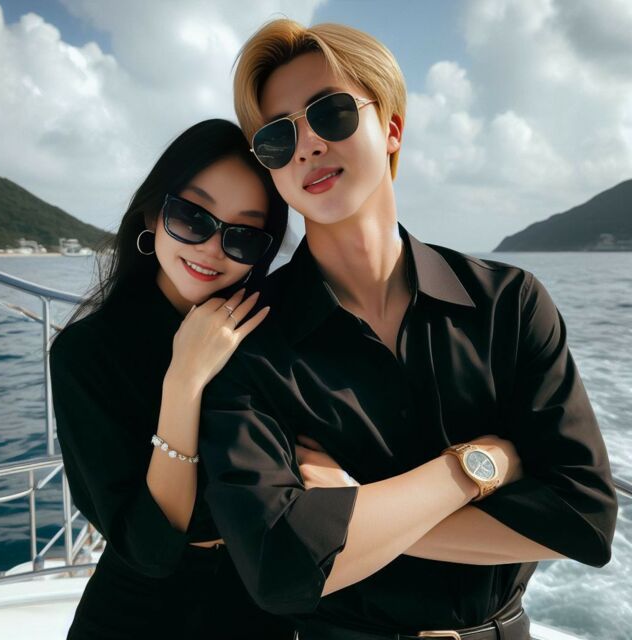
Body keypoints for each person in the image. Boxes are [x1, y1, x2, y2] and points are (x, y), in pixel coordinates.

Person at [197, 20, 619, 640]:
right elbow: (279, 568)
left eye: (331, 113)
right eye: (278, 137)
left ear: (392, 127)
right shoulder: (248, 335)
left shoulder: (509, 303)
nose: (306, 145)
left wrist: (356, 509)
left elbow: (584, 520)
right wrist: (477, 467)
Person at [49, 119, 295, 639]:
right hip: (133, 619)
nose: (212, 248)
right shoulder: (87, 354)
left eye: (243, 235)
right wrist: (184, 380)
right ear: (152, 213)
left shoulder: (270, 339)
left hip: (258, 610)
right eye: (192, 216)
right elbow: (151, 549)